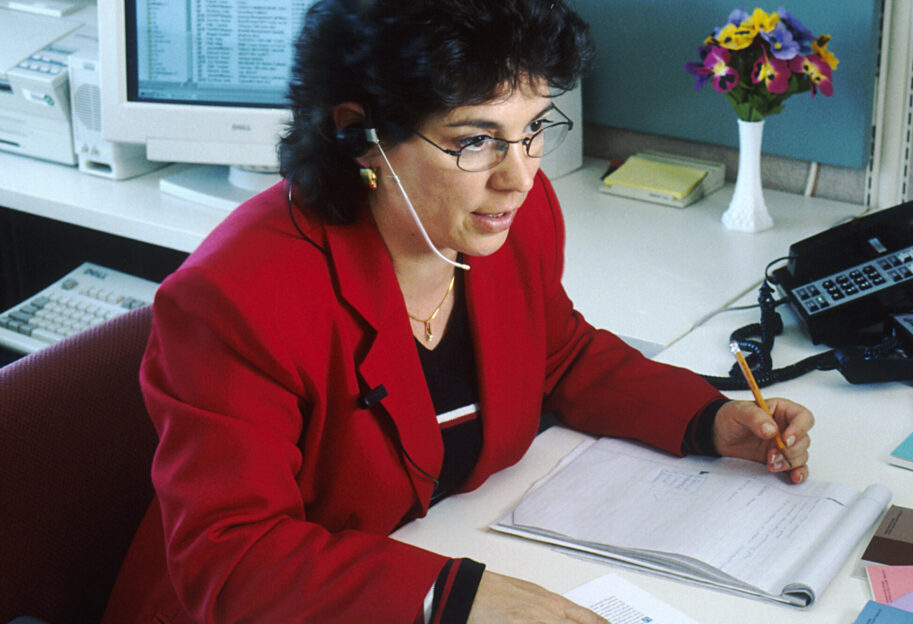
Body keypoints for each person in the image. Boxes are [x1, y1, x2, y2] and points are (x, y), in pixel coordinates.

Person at [101, 1, 815, 622]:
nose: (519, 175)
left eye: (534, 127)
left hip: (440, 547)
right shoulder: (237, 298)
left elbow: (558, 354)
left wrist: (708, 420)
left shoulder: (510, 220)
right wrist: (453, 598)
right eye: (475, 140)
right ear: (360, 134)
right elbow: (232, 564)